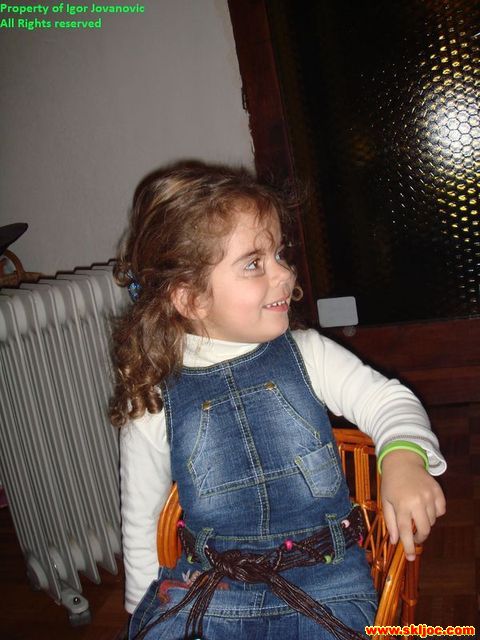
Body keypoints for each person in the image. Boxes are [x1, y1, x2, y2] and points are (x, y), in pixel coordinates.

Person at [110, 161, 446, 640]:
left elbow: (389, 401)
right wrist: (142, 612)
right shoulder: (152, 394)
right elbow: (141, 520)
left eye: (279, 254)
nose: (285, 273)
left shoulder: (308, 353)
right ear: (190, 299)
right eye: (254, 263)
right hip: (209, 589)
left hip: (326, 583)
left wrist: (404, 458)